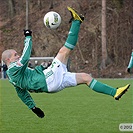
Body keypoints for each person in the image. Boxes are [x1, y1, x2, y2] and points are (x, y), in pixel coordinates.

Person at [1, 7, 130, 118]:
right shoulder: (13, 68)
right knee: (64, 51)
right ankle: (76, 21)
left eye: (17, 54)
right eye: (15, 55)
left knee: (86, 78)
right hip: (47, 80)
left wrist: (33, 108)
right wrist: (28, 37)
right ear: (8, 60)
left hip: (51, 84)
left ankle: (115, 92)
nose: (17, 56)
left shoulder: (12, 78)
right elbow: (25, 57)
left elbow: (22, 94)